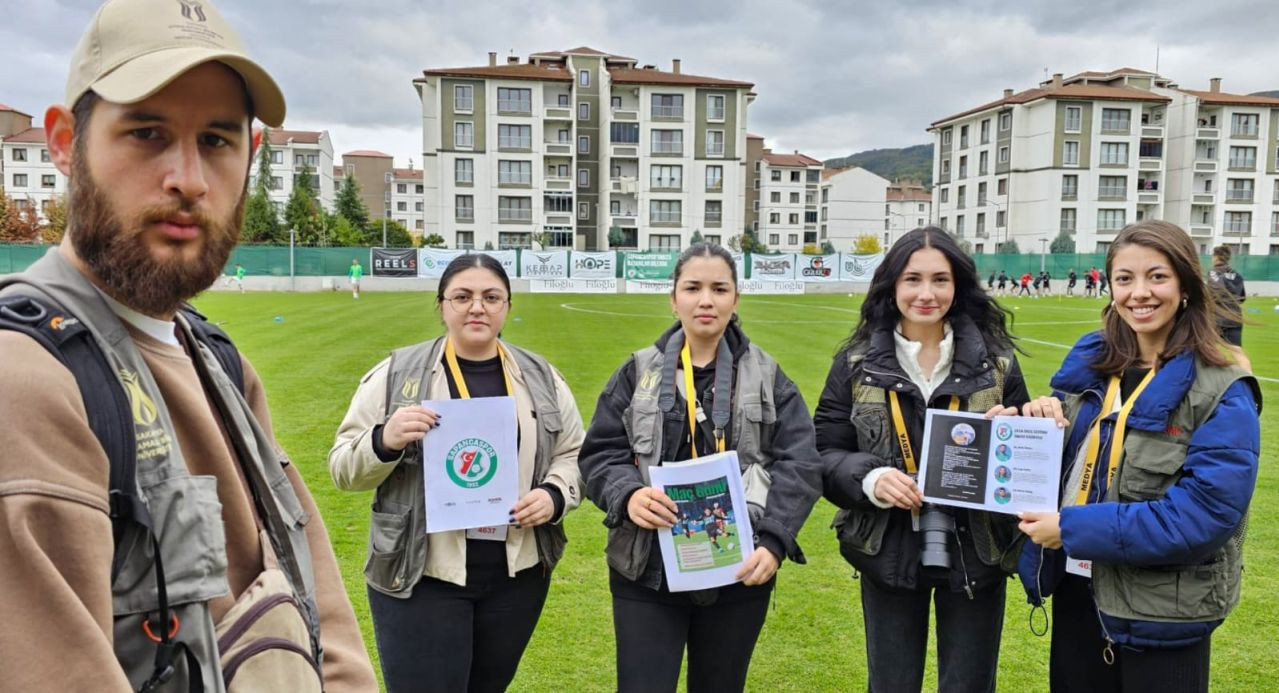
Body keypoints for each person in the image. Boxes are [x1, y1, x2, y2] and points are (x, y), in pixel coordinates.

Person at [0, 1, 377, 690]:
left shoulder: (218, 357)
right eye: (146, 133)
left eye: (216, 140)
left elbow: (319, 610)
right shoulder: (23, 380)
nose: (189, 180)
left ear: (251, 155)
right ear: (63, 142)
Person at [1018, 220, 1260, 693]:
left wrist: (1069, 528)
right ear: (1109, 287)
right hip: (1078, 592)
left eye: (1157, 276)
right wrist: (1027, 428)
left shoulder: (1221, 386)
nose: (1139, 293)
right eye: (1124, 278)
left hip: (1164, 612)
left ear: (1186, 286)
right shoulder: (1090, 369)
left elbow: (1204, 517)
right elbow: (1065, 472)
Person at [329, 253, 585, 692]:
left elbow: (575, 453)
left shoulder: (541, 377)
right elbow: (342, 468)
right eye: (462, 296)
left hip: (515, 579)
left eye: (491, 297)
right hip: (421, 575)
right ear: (442, 304)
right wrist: (385, 439)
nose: (477, 307)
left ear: (507, 306)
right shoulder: (396, 375)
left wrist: (554, 495)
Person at [578, 243, 822, 693]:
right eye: (693, 288)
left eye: (718, 288)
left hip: (738, 569)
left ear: (735, 299)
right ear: (674, 299)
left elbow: (800, 462)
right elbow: (599, 453)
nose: (705, 300)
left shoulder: (768, 375)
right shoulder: (637, 371)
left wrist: (773, 541)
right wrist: (628, 494)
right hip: (645, 569)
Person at [816, 226, 1031, 693]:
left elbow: (1026, 463)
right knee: (891, 684)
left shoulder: (997, 365)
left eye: (941, 279)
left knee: (970, 685)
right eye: (913, 279)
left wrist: (1016, 431)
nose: (927, 294)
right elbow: (825, 452)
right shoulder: (855, 364)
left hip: (978, 552)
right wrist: (871, 480)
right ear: (892, 286)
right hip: (887, 549)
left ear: (959, 286)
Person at [1207, 245, 1249, 370]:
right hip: (1234, 317)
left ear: (1216, 257)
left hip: (1218, 317)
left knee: (1203, 347)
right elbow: (1242, 298)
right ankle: (1250, 381)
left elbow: (1215, 293)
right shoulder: (1237, 275)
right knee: (1237, 352)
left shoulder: (1213, 272)